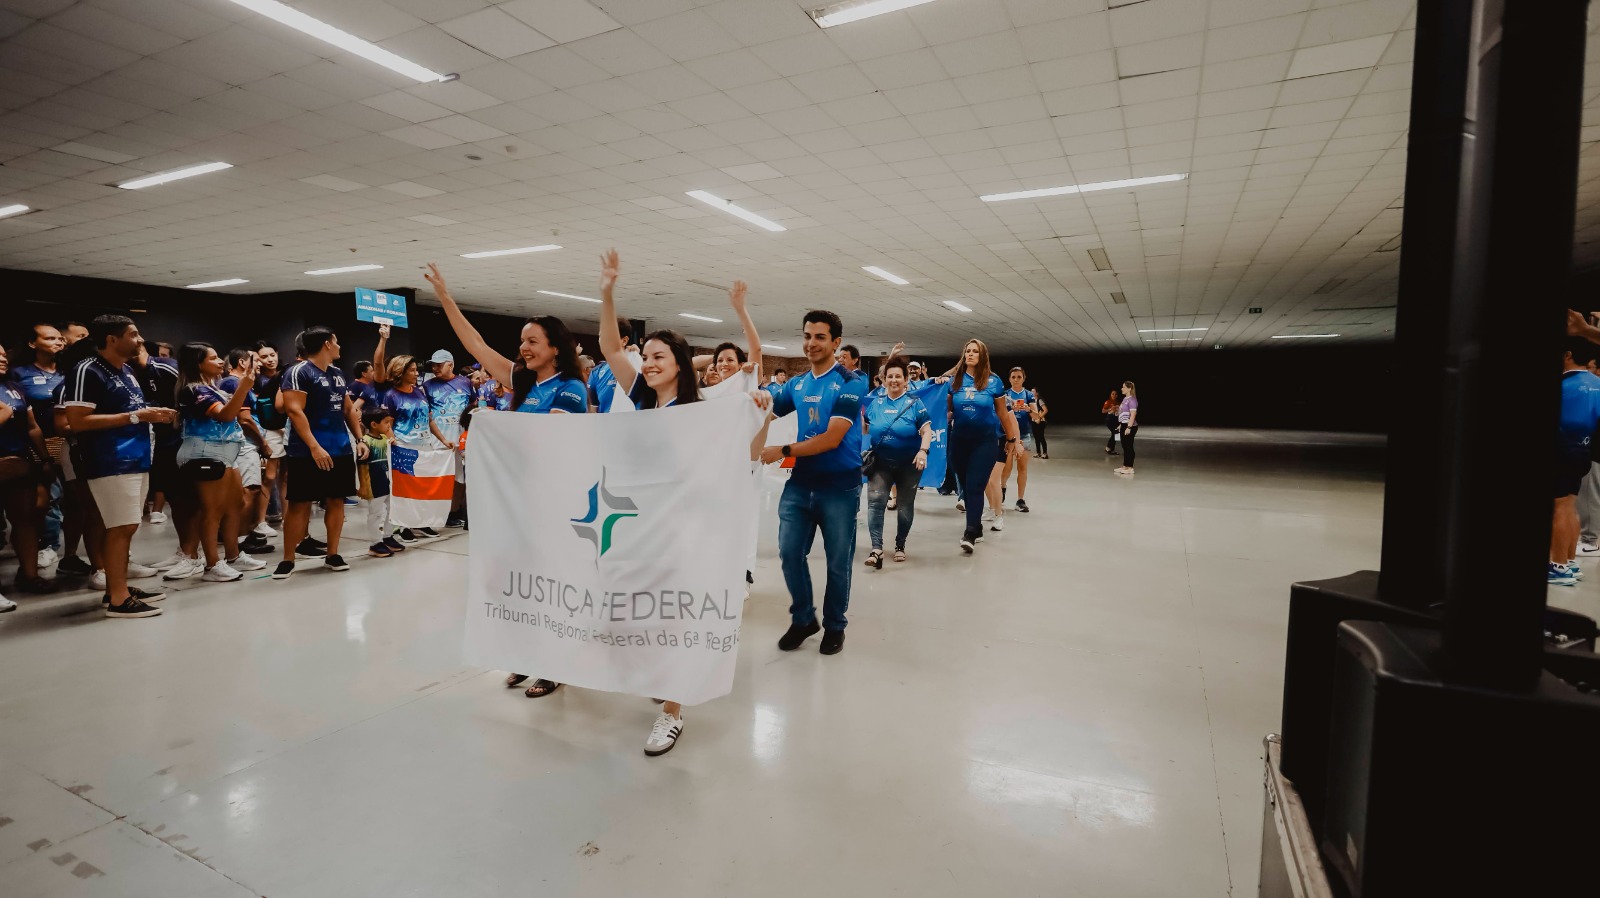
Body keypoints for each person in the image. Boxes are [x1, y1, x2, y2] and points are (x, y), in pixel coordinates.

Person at [597, 250, 767, 755]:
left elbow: (747, 456)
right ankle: (662, 679)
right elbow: (610, 347)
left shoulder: (704, 409)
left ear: (678, 366)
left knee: (674, 619)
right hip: (639, 528)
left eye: (657, 358)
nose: (647, 364)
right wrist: (607, 292)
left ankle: (672, 712)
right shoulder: (641, 399)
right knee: (632, 614)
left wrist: (761, 411)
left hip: (686, 533)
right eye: (645, 356)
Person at [423, 260, 588, 701]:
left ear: (556, 347)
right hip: (520, 505)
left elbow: (547, 442)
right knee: (522, 582)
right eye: (521, 341)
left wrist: (495, 423)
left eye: (533, 341)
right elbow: (475, 344)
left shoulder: (571, 388)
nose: (524, 348)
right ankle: (526, 653)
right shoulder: (523, 381)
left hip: (554, 506)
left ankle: (554, 665)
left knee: (552, 585)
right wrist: (444, 299)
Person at [760, 308, 864, 657]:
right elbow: (767, 412)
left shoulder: (851, 383)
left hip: (840, 487)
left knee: (837, 562)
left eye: (820, 337)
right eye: (807, 335)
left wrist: (783, 449)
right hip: (800, 483)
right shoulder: (797, 384)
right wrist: (750, 398)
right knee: (790, 553)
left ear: (836, 342)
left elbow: (832, 438)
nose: (811, 343)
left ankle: (835, 626)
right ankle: (804, 618)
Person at [60, 315, 173, 618]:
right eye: (134, 334)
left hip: (135, 457)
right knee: (119, 528)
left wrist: (148, 415)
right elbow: (77, 421)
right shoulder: (87, 370)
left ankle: (116, 587)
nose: (139, 340)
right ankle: (119, 601)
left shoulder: (125, 371)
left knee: (128, 526)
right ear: (112, 339)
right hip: (109, 459)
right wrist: (137, 417)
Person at [271, 327, 365, 580]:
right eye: (336, 342)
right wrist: (314, 446)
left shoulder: (337, 373)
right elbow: (294, 411)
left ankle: (333, 554)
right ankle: (288, 559)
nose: (339, 346)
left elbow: (347, 409)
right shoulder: (297, 372)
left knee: (336, 500)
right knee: (300, 504)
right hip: (306, 451)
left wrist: (359, 438)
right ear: (327, 344)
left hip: (339, 448)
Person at [174, 343, 263, 581]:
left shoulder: (211, 387)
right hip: (206, 452)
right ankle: (212, 564)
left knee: (234, 504)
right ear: (198, 364)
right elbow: (225, 415)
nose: (220, 362)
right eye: (213, 358)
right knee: (212, 511)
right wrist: (244, 388)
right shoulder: (193, 390)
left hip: (226, 452)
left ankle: (233, 555)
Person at [939, 340, 1020, 552]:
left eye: (975, 351)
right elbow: (946, 412)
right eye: (968, 351)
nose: (971, 354)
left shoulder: (993, 382)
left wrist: (1012, 440)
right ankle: (977, 527)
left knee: (975, 485)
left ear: (982, 355)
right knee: (965, 486)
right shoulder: (954, 380)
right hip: (959, 441)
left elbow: (1003, 414)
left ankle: (971, 532)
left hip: (985, 442)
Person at [862, 357, 932, 567]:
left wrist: (923, 451)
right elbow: (864, 428)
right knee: (875, 503)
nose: (893, 380)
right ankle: (876, 549)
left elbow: (927, 430)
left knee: (904, 506)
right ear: (884, 380)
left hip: (908, 465)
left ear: (905, 380)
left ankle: (900, 545)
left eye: (898, 376)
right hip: (880, 464)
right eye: (890, 376)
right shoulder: (876, 403)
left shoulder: (914, 403)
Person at [0, 345, 56, 594]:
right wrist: (4, 412)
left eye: (3, 353)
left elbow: (31, 426)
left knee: (27, 518)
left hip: (19, 464)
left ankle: (30, 575)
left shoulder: (14, 387)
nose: (3, 357)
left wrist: (45, 458)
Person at [12, 323, 67, 570]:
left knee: (73, 498)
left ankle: (72, 554)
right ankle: (49, 546)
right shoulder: (19, 374)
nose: (58, 342)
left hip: (67, 440)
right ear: (33, 343)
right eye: (50, 338)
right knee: (47, 497)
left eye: (60, 338)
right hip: (37, 442)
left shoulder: (69, 372)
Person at [378, 353, 447, 542]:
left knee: (423, 485)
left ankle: (422, 522)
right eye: (413, 370)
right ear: (401, 371)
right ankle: (403, 526)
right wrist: (393, 440)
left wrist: (442, 439)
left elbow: (429, 419)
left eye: (417, 370)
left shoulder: (419, 392)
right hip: (403, 446)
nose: (417, 373)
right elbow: (386, 423)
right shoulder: (391, 396)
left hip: (424, 444)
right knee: (405, 488)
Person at [1553, 339, 1600, 585]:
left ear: (1567, 354)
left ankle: (1558, 566)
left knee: (1559, 508)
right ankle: (1569, 562)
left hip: (1560, 450)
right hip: (1584, 451)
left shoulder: (1562, 385)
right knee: (1569, 506)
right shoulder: (1598, 384)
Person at [222, 348, 273, 556]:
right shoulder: (234, 383)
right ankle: (240, 539)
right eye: (255, 360)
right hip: (244, 444)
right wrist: (263, 443)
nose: (260, 363)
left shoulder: (239, 383)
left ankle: (243, 534)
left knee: (249, 489)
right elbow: (244, 418)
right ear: (243, 363)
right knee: (249, 490)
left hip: (245, 443)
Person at [422, 349, 473, 528]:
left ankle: (453, 513)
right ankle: (435, 513)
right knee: (438, 478)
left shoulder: (466, 383)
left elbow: (473, 407)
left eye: (439, 364)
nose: (435, 368)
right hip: (438, 440)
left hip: (461, 440)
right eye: (433, 365)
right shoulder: (428, 386)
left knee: (459, 479)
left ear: (450, 364)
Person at [357, 405, 404, 558]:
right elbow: (361, 465)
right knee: (375, 513)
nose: (389, 426)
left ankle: (388, 536)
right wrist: (363, 486)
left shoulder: (385, 439)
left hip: (386, 482)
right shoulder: (365, 442)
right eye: (386, 423)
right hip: (374, 483)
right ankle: (375, 543)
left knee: (392, 509)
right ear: (374, 424)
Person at [252, 341, 289, 527]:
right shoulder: (256, 380)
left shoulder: (286, 374)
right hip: (268, 431)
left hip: (288, 430)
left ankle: (287, 519)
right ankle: (260, 522)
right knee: (269, 476)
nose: (269, 359)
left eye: (272, 355)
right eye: (264, 356)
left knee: (286, 476)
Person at [1001, 367, 1038, 512]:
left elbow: (1036, 417)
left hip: (1024, 436)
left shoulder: (1029, 395)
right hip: (1009, 436)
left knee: (1022, 468)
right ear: (1009, 379)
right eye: (1013, 377)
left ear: (1024, 378)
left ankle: (1020, 499)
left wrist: (1028, 409)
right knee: (1007, 468)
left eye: (1019, 377)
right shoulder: (1005, 395)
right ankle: (1002, 486)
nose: (1016, 379)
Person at [587, 315, 641, 413]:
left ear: (624, 341)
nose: (603, 341)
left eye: (608, 337)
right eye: (601, 336)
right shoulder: (596, 372)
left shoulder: (637, 365)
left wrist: (637, 357)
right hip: (605, 427)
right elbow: (592, 412)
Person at [1114, 381, 1139, 475]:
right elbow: (1124, 413)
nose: (1121, 388)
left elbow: (1133, 414)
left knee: (1129, 446)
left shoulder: (1132, 400)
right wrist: (1121, 424)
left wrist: (1129, 427)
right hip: (1124, 424)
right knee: (1125, 446)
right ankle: (1125, 465)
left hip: (1130, 425)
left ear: (1129, 388)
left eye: (1123, 387)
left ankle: (1130, 467)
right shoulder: (1125, 399)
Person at [1031, 389, 1050, 459]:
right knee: (1036, 437)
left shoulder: (1039, 400)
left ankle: (1045, 453)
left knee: (1041, 437)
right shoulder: (1032, 401)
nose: (1031, 392)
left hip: (1041, 421)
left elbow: (1045, 410)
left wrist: (1039, 418)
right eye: (1031, 391)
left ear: (1037, 393)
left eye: (1033, 391)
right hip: (1034, 421)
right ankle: (1038, 452)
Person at [1103, 389, 1122, 454]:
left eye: (1115, 394)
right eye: (1112, 394)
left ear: (1117, 395)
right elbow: (1103, 411)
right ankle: (1108, 448)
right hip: (1109, 420)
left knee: (1116, 435)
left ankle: (1112, 449)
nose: (1114, 395)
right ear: (1110, 395)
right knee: (1115, 433)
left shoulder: (1119, 402)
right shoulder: (1108, 402)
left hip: (1116, 420)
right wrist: (1111, 409)